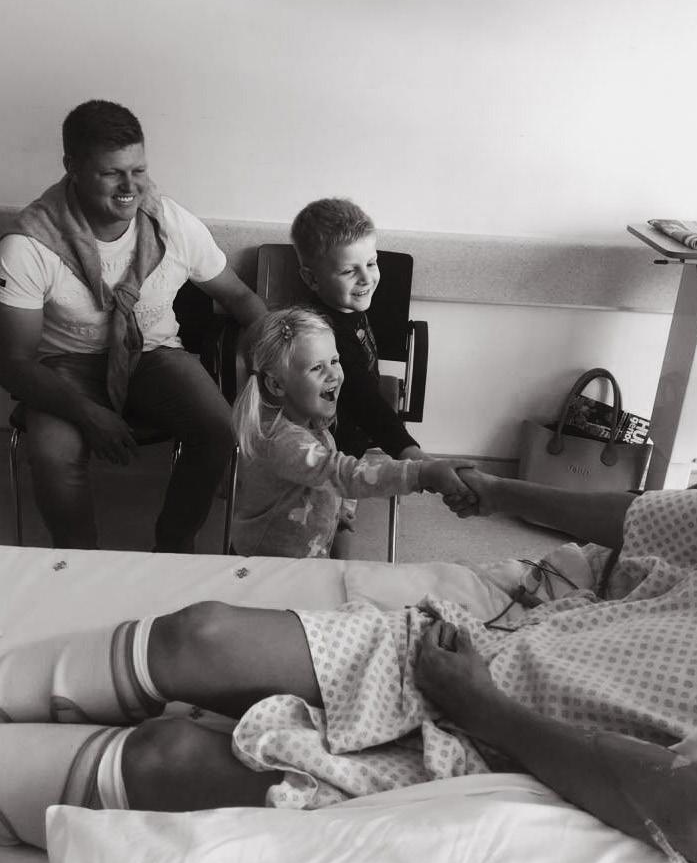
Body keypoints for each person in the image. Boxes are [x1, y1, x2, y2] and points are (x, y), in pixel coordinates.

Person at [1, 476, 697, 863]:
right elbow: (646, 518)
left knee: (167, 758)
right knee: (200, 636)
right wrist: (494, 491)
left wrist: (486, 711)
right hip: (490, 653)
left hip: (533, 769)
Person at [0, 99, 266, 552]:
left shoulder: (170, 223)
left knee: (217, 431)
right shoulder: (29, 244)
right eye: (112, 173)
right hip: (65, 364)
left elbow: (239, 298)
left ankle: (173, 549)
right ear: (72, 167)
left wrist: (279, 355)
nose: (131, 187)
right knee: (51, 453)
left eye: (138, 170)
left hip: (153, 353)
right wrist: (88, 414)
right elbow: (14, 364)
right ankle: (78, 560)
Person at [230, 306, 474, 557]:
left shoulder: (313, 426)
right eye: (316, 368)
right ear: (276, 384)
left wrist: (333, 510)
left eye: (334, 361)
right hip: (264, 566)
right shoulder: (280, 441)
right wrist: (421, 473)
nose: (333, 375)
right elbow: (343, 475)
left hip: (302, 560)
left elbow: (318, 481)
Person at [291, 198, 434, 550]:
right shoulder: (322, 334)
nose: (367, 278)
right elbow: (363, 399)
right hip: (327, 452)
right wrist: (408, 452)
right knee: (321, 527)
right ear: (311, 278)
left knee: (340, 519)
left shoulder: (348, 306)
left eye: (371, 262)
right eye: (348, 271)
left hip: (350, 443)